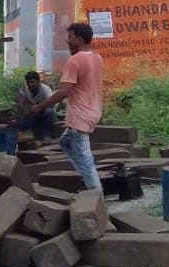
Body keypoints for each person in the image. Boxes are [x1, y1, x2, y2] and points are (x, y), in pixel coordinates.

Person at [31, 22, 103, 191]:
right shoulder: (96, 57)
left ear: (78, 39)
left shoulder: (75, 60)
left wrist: (42, 106)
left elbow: (65, 91)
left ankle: (96, 195)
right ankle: (87, 177)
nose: (67, 41)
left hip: (80, 117)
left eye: (70, 38)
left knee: (85, 158)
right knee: (65, 143)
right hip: (93, 112)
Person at [15, 71, 56, 143]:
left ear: (38, 81)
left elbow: (52, 104)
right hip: (31, 115)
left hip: (43, 115)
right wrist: (17, 119)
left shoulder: (46, 90)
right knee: (18, 127)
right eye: (28, 83)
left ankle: (47, 135)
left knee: (50, 112)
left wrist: (40, 107)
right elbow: (21, 105)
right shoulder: (24, 88)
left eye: (33, 82)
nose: (30, 84)